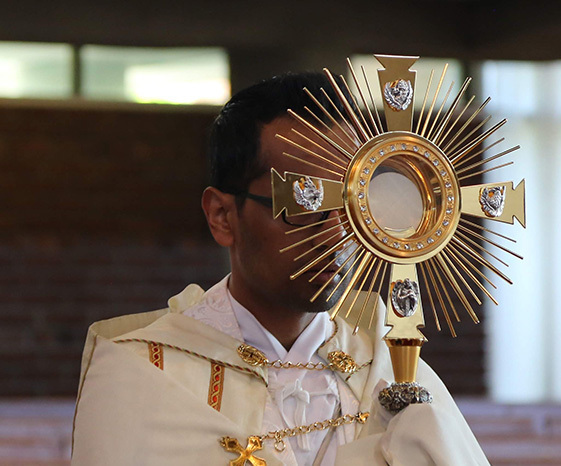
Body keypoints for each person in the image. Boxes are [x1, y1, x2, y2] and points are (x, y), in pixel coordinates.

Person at [71, 72, 489, 465]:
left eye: (355, 209)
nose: (337, 236)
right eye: (304, 204)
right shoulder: (141, 373)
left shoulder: (390, 371)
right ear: (221, 215)